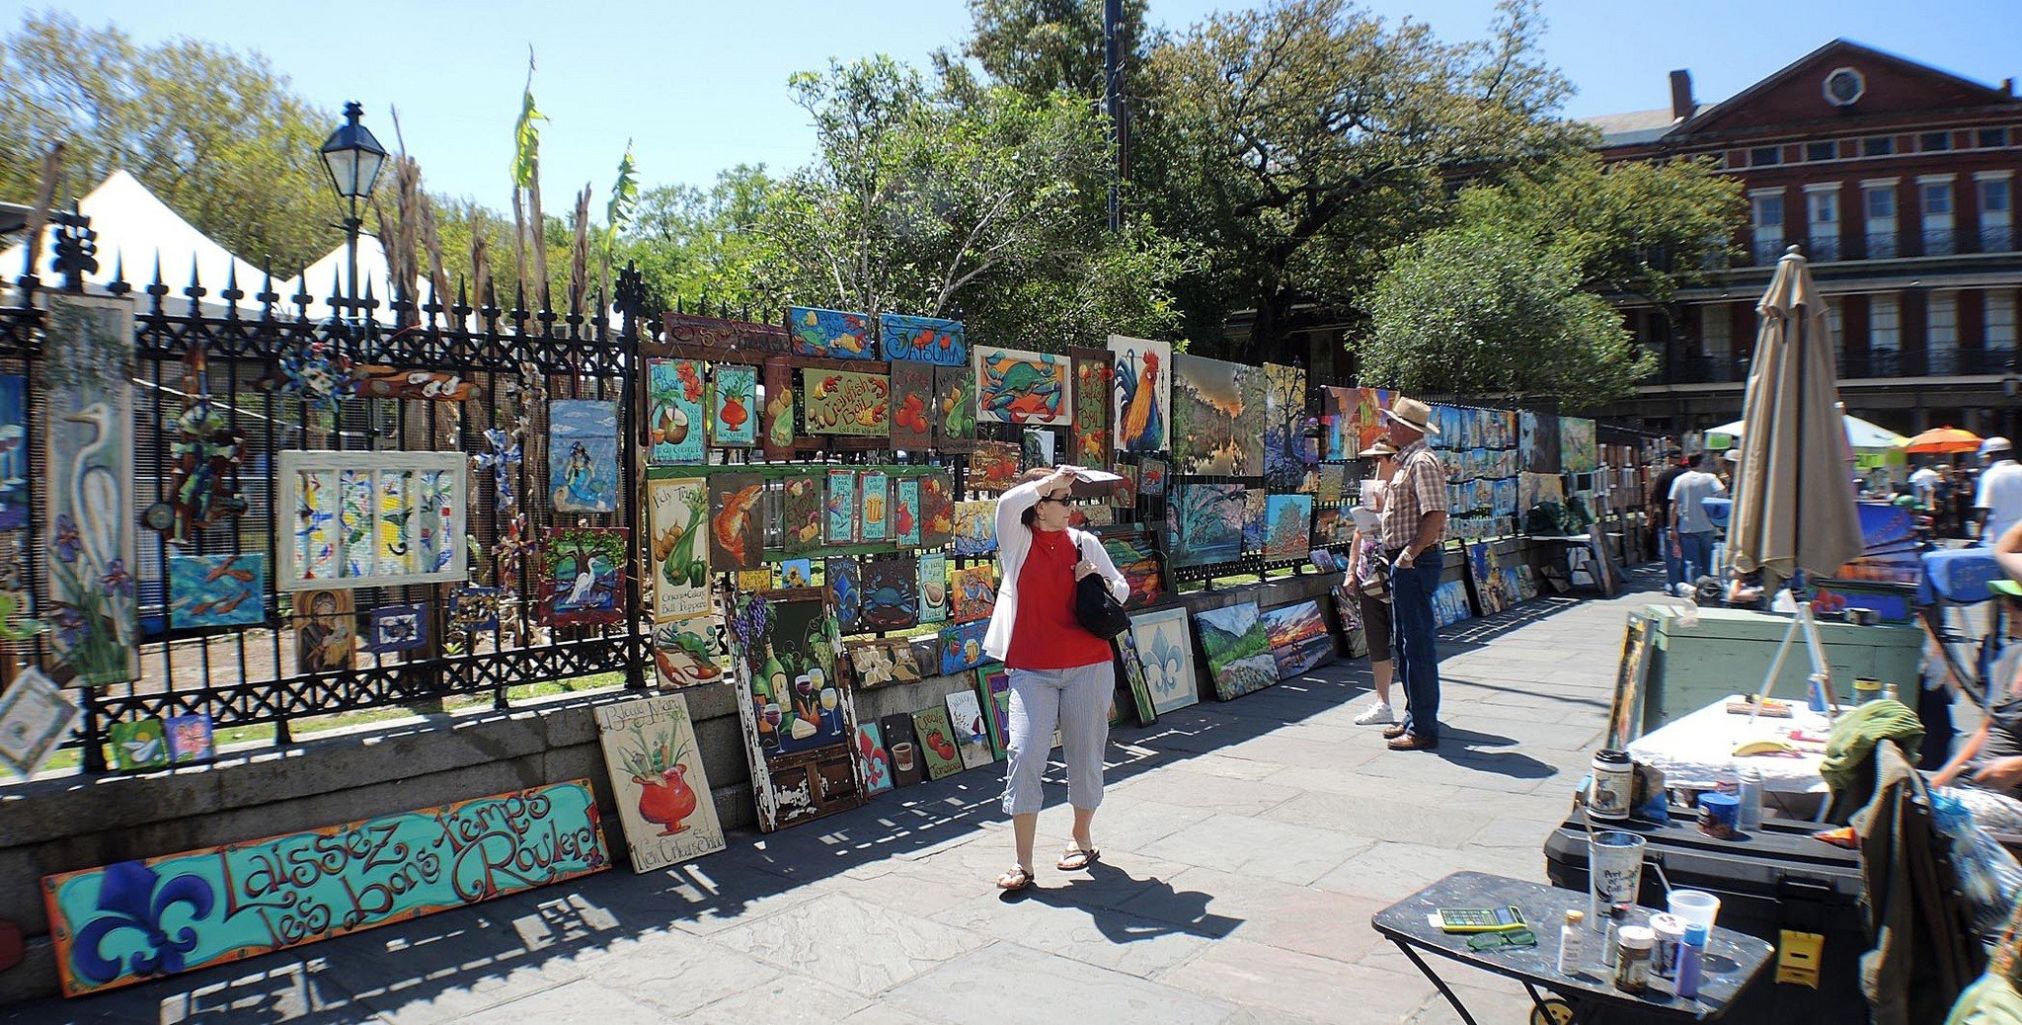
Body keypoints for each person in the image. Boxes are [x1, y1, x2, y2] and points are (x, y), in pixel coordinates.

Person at [984, 466, 1131, 892]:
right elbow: (1007, 504)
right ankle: (1022, 863)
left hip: (1089, 663)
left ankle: (1080, 837)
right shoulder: (1019, 541)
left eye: (1071, 499)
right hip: (1032, 669)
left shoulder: (1085, 543)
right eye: (1064, 500)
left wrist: (1097, 580)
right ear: (1040, 507)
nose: (1072, 508)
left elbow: (1121, 589)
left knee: (1085, 753)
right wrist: (1047, 482)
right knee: (1025, 753)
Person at [1377, 397, 1449, 752]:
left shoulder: (1422, 462)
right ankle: (1414, 717)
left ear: (1406, 428)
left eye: (1391, 423)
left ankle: (1424, 727)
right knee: (1406, 644)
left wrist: (1410, 553)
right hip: (1406, 562)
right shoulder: (1408, 462)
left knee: (1417, 646)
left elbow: (1434, 514)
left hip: (1414, 563)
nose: (1387, 428)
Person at [1349, 438, 1399, 726]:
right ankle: (1382, 702)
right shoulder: (1372, 488)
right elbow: (1359, 531)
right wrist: (1352, 568)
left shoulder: (1404, 486)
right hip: (1371, 569)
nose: (1376, 465)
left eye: (1381, 459)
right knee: (1376, 637)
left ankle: (1412, 703)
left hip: (1395, 566)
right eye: (1374, 460)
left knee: (1403, 637)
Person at [1668, 454, 1727, 595]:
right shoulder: (1710, 478)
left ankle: (1695, 591)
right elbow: (1723, 493)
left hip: (1687, 527)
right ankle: (1708, 590)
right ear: (1701, 463)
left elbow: (1673, 505)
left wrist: (1672, 527)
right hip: (1708, 525)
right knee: (1707, 563)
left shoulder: (1680, 480)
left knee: (1692, 563)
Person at [1649, 450, 1688, 593]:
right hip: (1686, 520)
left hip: (1667, 520)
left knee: (1671, 556)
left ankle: (1673, 585)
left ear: (1670, 459)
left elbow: (1654, 500)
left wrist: (1650, 519)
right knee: (1686, 555)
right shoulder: (1687, 476)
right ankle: (1686, 583)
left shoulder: (1663, 476)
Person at [1977, 438, 2022, 546]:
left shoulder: (1990, 475)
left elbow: (1984, 510)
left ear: (1990, 456)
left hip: (2002, 535)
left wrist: (1978, 535)